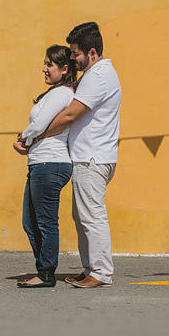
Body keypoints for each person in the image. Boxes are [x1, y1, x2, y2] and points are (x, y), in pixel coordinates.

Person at [23, 22, 121, 288]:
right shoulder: (94, 75)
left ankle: (101, 273)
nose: (72, 58)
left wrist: (36, 137)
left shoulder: (99, 76)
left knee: (92, 216)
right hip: (88, 157)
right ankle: (90, 268)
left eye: (75, 53)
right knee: (82, 216)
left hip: (92, 158)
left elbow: (69, 115)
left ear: (91, 52)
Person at [13, 45, 77, 288]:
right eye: (45, 63)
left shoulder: (62, 93)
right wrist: (28, 141)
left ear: (64, 68)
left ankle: (46, 273)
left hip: (50, 164)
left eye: (50, 64)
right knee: (30, 222)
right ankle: (44, 270)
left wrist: (23, 138)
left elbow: (40, 124)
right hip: (41, 164)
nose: (44, 69)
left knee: (46, 221)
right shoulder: (55, 93)